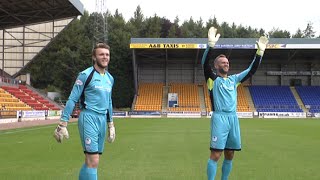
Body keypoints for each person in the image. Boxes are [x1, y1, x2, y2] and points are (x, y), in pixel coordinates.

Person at [202, 27, 268, 180]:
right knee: (216, 154)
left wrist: (259, 53)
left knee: (230, 154)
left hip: (233, 118)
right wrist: (210, 45)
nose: (226, 64)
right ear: (217, 66)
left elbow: (251, 70)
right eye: (223, 63)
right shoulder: (213, 79)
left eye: (227, 62)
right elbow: (205, 64)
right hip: (220, 119)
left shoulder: (234, 80)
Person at [53, 42, 116, 180]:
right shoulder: (85, 75)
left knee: (92, 161)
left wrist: (111, 123)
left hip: (102, 121)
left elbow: (109, 101)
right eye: (101, 54)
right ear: (94, 57)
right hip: (88, 118)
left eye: (107, 54)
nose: (104, 57)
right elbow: (72, 99)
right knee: (93, 160)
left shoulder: (110, 78)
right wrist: (63, 123)